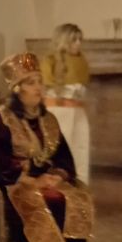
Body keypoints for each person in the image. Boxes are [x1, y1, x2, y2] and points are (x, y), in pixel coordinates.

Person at [0, 52, 94, 242]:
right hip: (15, 183)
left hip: (47, 179)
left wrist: (57, 176)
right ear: (17, 88)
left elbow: (64, 156)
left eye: (40, 81)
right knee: (47, 203)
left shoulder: (48, 119)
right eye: (31, 83)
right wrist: (32, 180)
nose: (38, 88)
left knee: (78, 199)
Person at [40, 23, 91, 182]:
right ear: (64, 41)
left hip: (78, 110)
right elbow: (45, 87)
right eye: (74, 40)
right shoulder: (50, 60)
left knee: (81, 148)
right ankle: (61, 185)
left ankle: (81, 186)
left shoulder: (82, 61)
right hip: (59, 110)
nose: (78, 44)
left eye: (80, 40)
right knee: (62, 149)